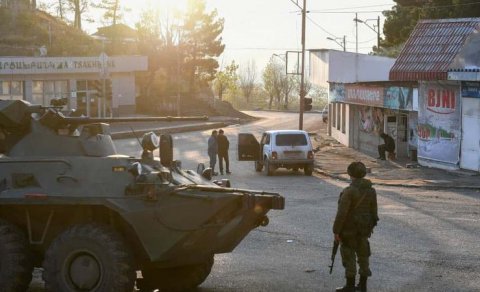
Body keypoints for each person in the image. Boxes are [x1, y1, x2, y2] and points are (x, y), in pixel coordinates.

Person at [333, 162, 379, 292]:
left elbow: (341, 214)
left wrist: (336, 231)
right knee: (364, 256)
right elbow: (374, 212)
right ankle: (363, 286)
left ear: (350, 175)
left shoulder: (349, 192)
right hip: (364, 229)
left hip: (349, 230)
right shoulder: (371, 190)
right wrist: (369, 227)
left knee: (349, 256)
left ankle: (350, 286)